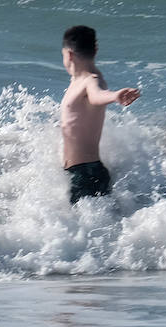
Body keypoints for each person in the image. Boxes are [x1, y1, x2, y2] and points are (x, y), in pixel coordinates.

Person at [59, 25, 140, 203]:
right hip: (83, 172)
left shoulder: (91, 80)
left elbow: (97, 95)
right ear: (95, 49)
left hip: (85, 174)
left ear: (69, 55)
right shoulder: (78, 79)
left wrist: (115, 96)